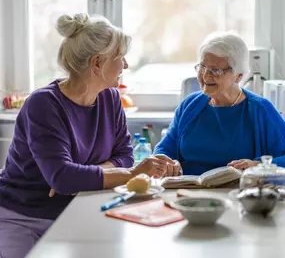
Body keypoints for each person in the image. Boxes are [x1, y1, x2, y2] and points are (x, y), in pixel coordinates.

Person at [0, 13, 179, 258]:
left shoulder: (110, 98)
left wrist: (82, 175)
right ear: (97, 63)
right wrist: (133, 174)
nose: (125, 65)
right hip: (23, 216)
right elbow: (63, 179)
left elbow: (124, 155)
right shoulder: (43, 104)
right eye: (120, 57)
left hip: (77, 208)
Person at [154, 31, 285, 175]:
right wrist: (166, 163)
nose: (205, 76)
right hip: (187, 190)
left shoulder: (260, 109)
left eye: (215, 70)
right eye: (202, 67)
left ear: (238, 76)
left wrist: (257, 165)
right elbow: (164, 150)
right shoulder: (189, 105)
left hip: (237, 193)